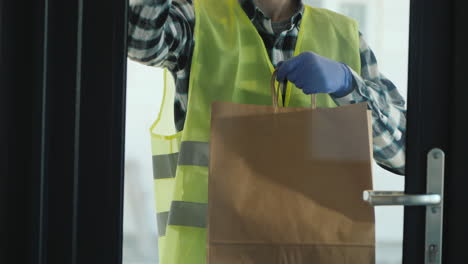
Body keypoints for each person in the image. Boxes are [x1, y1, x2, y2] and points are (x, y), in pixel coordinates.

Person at [128, 0, 407, 263]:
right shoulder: (196, 18)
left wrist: (348, 85)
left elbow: (404, 152)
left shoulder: (344, 35)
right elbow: (140, 41)